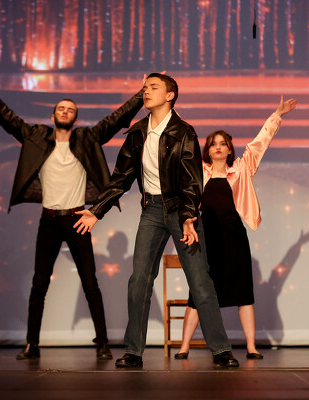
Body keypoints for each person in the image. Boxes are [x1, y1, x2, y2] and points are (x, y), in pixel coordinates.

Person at [0, 60, 144, 361]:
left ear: (75, 118)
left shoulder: (87, 138)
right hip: (48, 220)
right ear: (53, 115)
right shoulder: (36, 136)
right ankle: (31, 344)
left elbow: (117, 119)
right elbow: (6, 117)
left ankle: (102, 343)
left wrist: (140, 95)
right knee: (39, 284)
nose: (65, 111)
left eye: (70, 109)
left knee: (90, 283)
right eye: (61, 108)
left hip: (76, 220)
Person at [74, 73, 239, 368]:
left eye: (153, 87)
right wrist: (97, 210)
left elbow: (192, 181)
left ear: (170, 95)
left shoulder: (183, 132)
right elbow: (120, 178)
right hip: (151, 210)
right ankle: (133, 351)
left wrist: (188, 216)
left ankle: (221, 349)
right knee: (139, 280)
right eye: (144, 88)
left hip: (180, 210)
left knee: (200, 280)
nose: (146, 92)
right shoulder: (137, 132)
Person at [174, 96, 297, 360]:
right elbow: (182, 136)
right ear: (207, 150)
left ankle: (251, 347)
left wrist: (277, 115)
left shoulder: (241, 169)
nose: (218, 147)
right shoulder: (199, 170)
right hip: (206, 236)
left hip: (233, 237)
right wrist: (167, 108)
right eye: (213, 144)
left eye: (223, 144)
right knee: (198, 292)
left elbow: (260, 143)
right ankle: (183, 347)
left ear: (230, 149)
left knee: (243, 293)